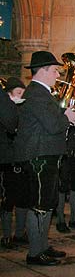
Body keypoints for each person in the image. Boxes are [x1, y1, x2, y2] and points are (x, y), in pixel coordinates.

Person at [14, 51, 75, 266]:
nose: (57, 74)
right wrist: (67, 117)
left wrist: (66, 115)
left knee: (47, 203)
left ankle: (43, 246)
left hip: (46, 154)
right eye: (54, 70)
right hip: (39, 157)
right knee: (40, 205)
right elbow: (52, 125)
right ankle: (35, 252)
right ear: (42, 71)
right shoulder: (35, 93)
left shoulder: (43, 93)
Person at [0, 78, 23, 249]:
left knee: (18, 195)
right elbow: (10, 127)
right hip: (6, 158)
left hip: (17, 157)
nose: (21, 97)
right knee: (6, 198)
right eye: (18, 93)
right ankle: (6, 235)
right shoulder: (6, 105)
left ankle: (18, 233)